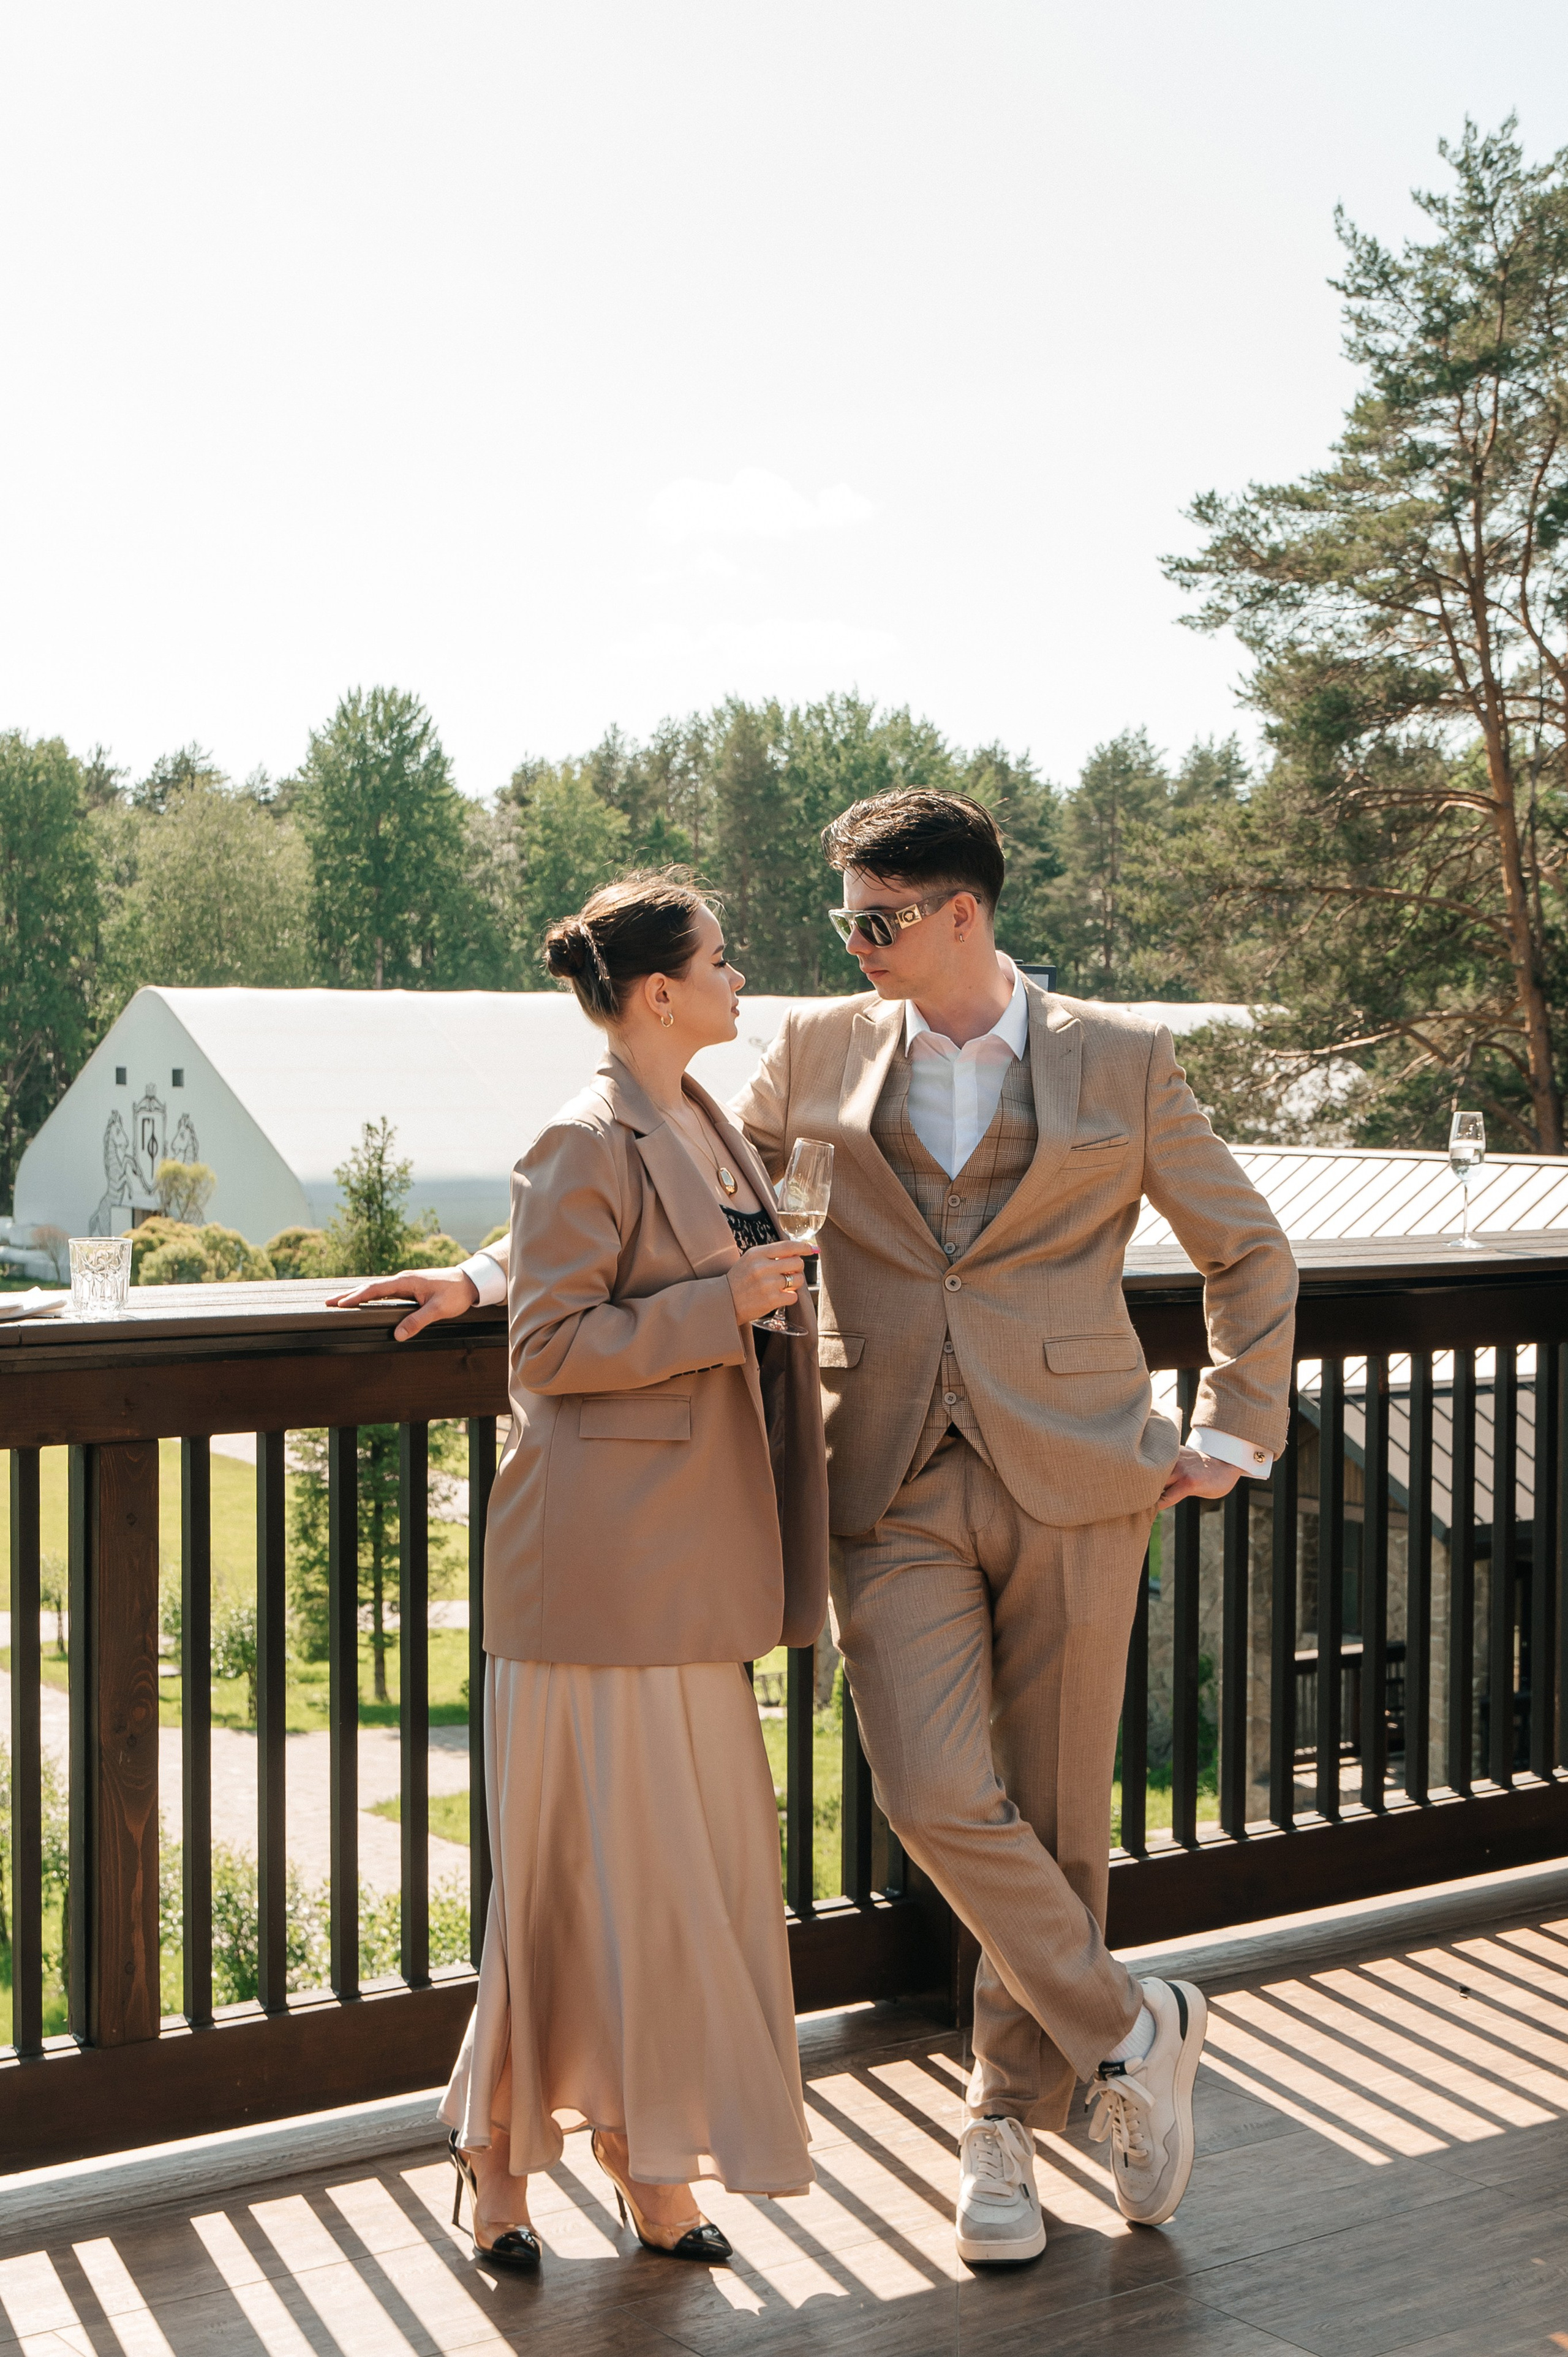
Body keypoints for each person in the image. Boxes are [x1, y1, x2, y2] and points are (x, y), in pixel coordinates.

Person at [351, 794, 1295, 2271]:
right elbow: (637, 1179)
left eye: (876, 919)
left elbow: (1245, 1248)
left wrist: (1233, 1430)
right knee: (928, 1785)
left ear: (960, 914)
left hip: (1081, 1466)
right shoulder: (813, 1052)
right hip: (888, 1469)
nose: (848, 943)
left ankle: (1002, 2117)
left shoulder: (1120, 1055)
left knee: (1052, 1810)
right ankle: (1128, 2022)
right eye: (845, 917)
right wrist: (483, 1278)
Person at [337, 872, 827, 2271]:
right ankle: (500, 2164)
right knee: (566, 1886)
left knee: (674, 1883)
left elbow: (571, 1266)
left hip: (683, 1564)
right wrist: (714, 1305)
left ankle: (640, 2154)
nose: (744, 978)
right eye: (724, 960)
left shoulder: (706, 1118)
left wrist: (486, 1273)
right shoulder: (580, 1127)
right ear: (659, 992)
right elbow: (550, 1351)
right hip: (597, 1574)